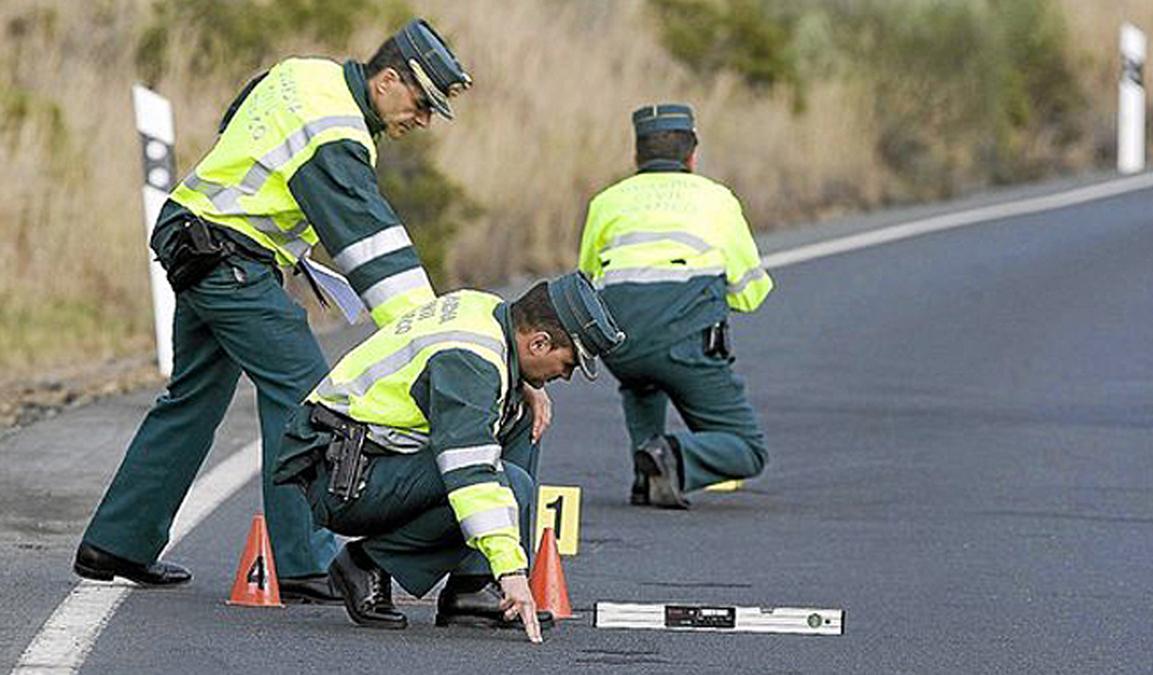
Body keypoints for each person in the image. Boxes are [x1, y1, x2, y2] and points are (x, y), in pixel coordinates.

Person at [74, 19, 552, 603]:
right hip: (230, 257)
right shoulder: (336, 131)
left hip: (194, 236)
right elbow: (376, 250)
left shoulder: (303, 73)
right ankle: (304, 561)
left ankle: (117, 543)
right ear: (388, 80)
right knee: (305, 397)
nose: (422, 120)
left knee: (191, 400)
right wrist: (449, 344)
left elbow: (235, 129)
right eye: (421, 104)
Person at [272, 271, 624, 643]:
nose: (565, 376)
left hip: (365, 458)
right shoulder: (469, 362)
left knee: (521, 414)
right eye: (568, 364)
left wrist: (525, 383)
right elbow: (470, 472)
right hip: (342, 482)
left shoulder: (488, 310)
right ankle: (367, 563)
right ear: (538, 343)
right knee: (505, 482)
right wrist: (512, 571)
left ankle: (472, 587)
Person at [577, 103, 773, 509]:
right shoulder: (716, 198)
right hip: (683, 344)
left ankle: (644, 476)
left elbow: (588, 280)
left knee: (640, 382)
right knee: (748, 448)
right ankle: (673, 457)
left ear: (636, 156)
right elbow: (750, 291)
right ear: (692, 156)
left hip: (621, 345)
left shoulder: (606, 202)